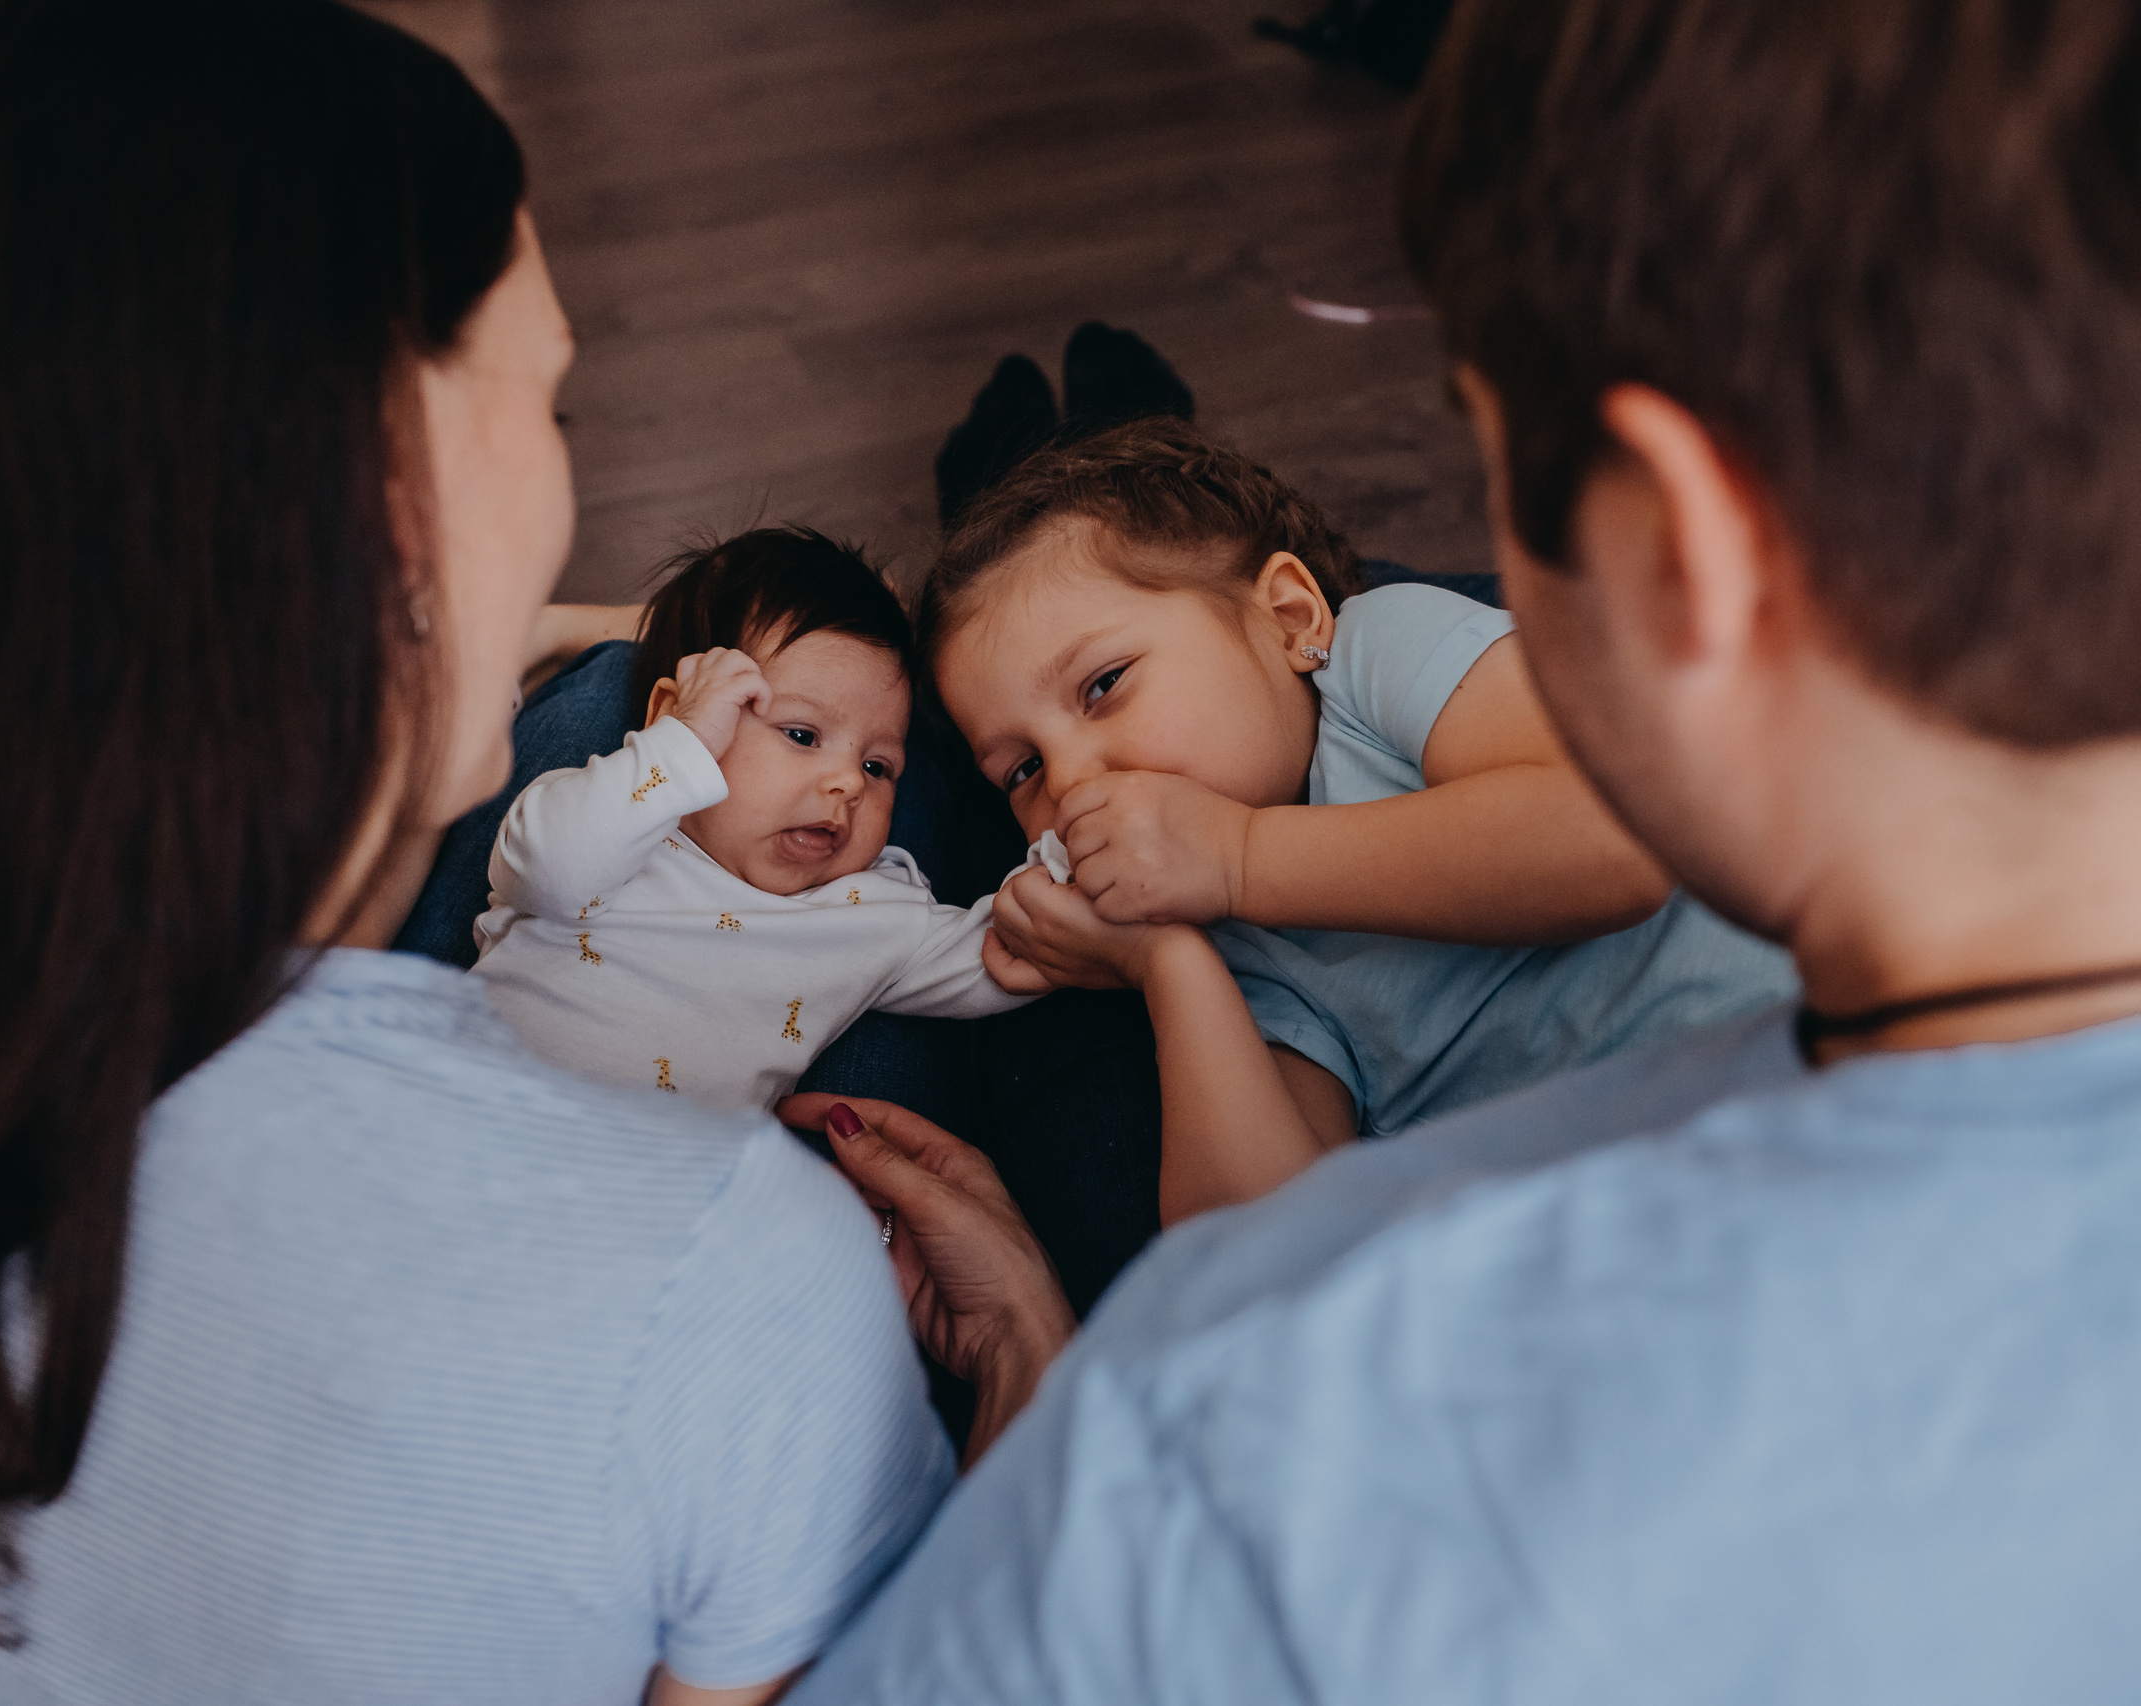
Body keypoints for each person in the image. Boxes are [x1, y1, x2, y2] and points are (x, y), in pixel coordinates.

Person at [787, 0, 2141, 1696]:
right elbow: (1248, 1183)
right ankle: (1056, 484)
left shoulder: (1228, 1434)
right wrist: (1170, 946)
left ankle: (1068, 476)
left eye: (1503, 472)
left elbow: (1247, 1256)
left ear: (1684, 545)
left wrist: (1050, 1392)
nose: (1057, 795)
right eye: (1018, 773)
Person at [0, 3, 949, 1702]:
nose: (561, 467)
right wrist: (1053, 1395)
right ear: (380, 500)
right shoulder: (740, 1284)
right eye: (547, 404)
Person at [927, 418, 1793, 1219]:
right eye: (1023, 770)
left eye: (1104, 684)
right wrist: (1167, 967)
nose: (1072, 781)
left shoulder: (1374, 654)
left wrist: (1242, 856)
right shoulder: (1240, 956)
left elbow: (1617, 842)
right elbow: (1264, 1245)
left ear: (1290, 618)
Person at [472, 527, 1044, 1111]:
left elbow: (1014, 950)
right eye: (802, 735)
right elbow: (547, 871)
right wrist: (680, 746)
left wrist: (1093, 859)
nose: (848, 782)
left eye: (878, 766)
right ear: (676, 718)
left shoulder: (872, 910)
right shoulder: (616, 820)